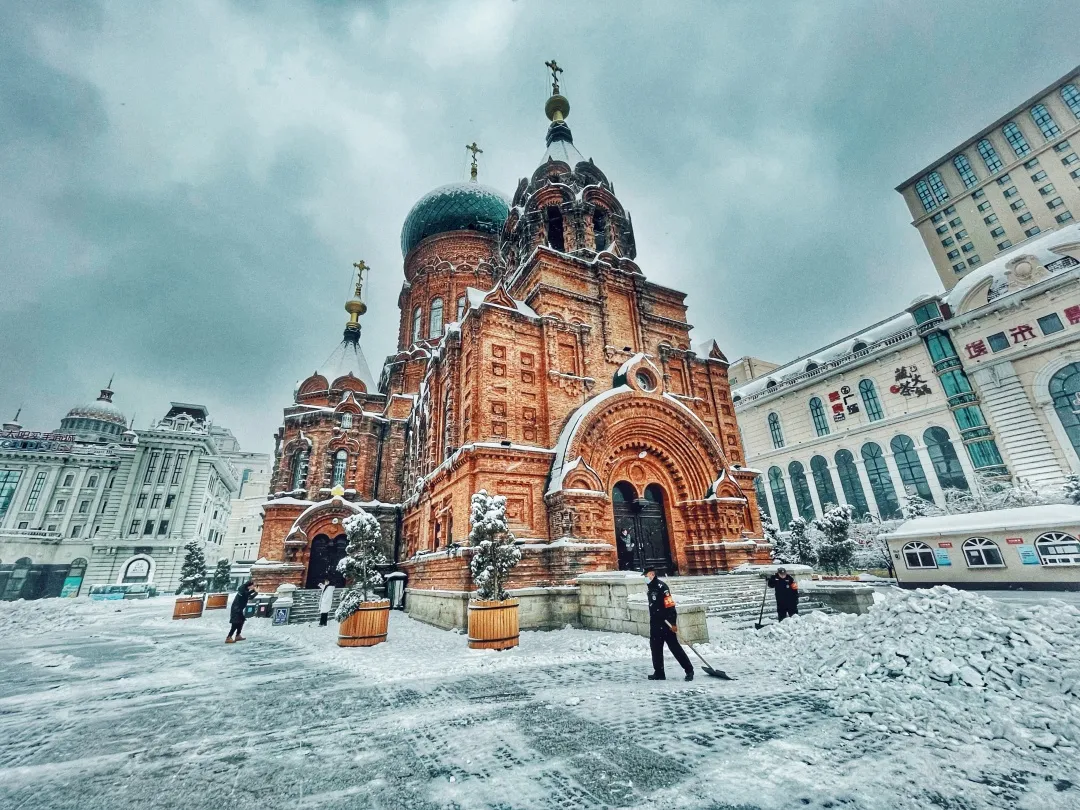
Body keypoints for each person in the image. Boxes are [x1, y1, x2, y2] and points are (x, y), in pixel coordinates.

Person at [645, 566, 693, 681]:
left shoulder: (662, 587)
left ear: (652, 574)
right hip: (655, 624)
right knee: (655, 648)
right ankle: (659, 672)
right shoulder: (650, 587)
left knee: (675, 648)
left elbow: (670, 605)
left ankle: (689, 670)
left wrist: (673, 623)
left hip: (666, 624)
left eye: (646, 576)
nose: (645, 578)